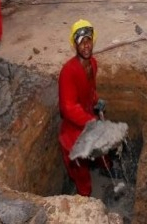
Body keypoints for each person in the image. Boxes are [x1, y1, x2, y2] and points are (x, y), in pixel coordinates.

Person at [58, 19, 109, 196]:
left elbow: (90, 90)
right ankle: (85, 202)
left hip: (88, 121)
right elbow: (68, 108)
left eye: (88, 41)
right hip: (74, 135)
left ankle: (107, 171)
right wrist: (92, 121)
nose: (86, 46)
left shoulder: (93, 63)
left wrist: (97, 101)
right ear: (75, 46)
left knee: (105, 150)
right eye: (81, 43)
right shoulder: (68, 72)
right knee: (82, 176)